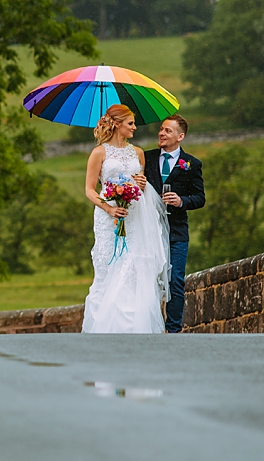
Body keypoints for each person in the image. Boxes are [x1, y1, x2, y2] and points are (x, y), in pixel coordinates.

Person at [81, 104, 170, 334]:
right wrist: (109, 209)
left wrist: (142, 184)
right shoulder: (98, 153)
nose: (134, 127)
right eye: (130, 123)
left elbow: (141, 183)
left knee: (133, 265)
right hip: (108, 216)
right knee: (109, 266)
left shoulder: (138, 153)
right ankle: (106, 326)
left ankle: (133, 326)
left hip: (134, 214)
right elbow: (91, 190)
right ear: (117, 124)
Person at [138, 114, 205, 332]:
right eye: (161, 129)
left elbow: (199, 198)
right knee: (147, 280)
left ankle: (173, 330)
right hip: (148, 230)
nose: (161, 133)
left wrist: (181, 201)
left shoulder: (192, 164)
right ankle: (148, 326)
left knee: (175, 280)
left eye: (168, 130)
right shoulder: (145, 158)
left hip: (176, 231)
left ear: (180, 136)